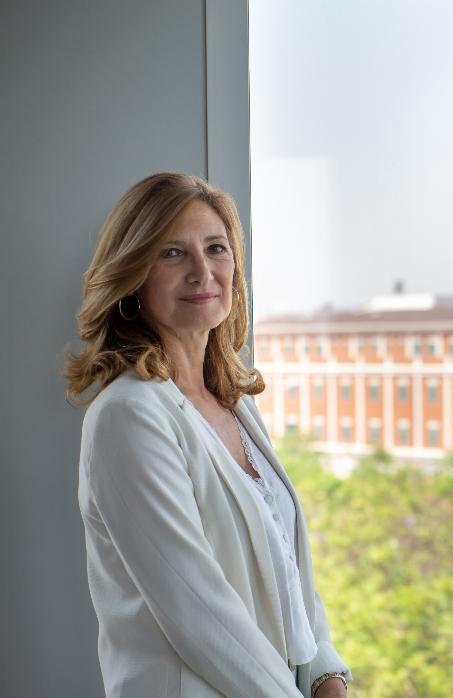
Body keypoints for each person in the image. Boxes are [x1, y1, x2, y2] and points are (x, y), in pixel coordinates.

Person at [66, 173, 352, 697]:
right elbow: (199, 614)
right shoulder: (128, 416)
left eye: (216, 248)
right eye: (172, 253)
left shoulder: (235, 404)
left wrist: (324, 673)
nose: (202, 272)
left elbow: (285, 566)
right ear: (133, 277)